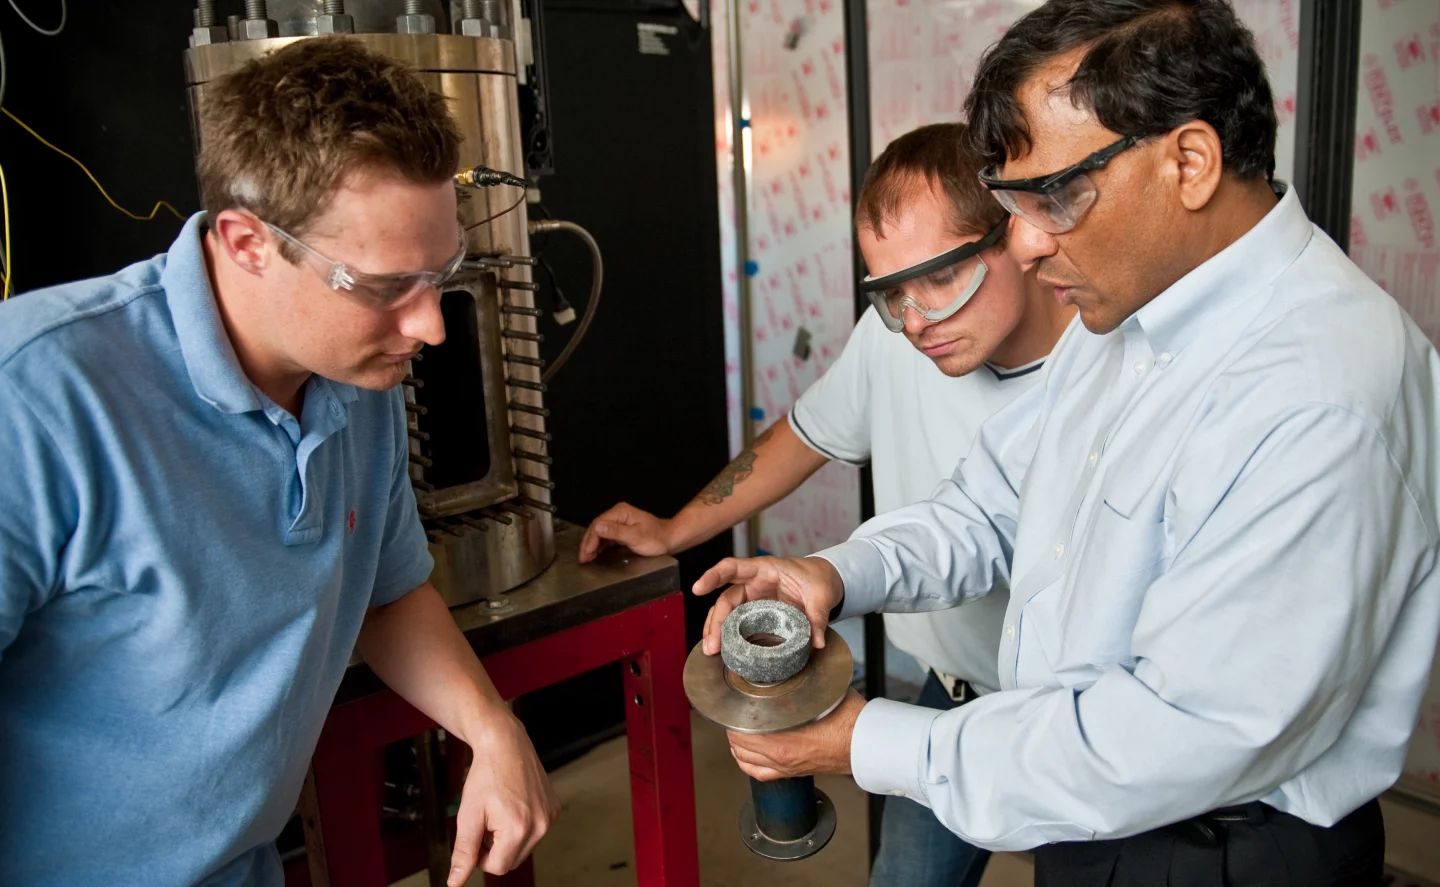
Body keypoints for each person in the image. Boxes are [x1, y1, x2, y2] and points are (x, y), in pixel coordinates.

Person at [693, 1, 1440, 884]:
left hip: (1220, 848)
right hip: (1090, 820)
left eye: (1054, 195)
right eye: (1015, 203)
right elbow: (991, 505)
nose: (1030, 244)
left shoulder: (1319, 391)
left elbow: (1172, 735)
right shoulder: (1121, 316)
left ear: (1189, 161)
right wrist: (837, 573)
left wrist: (873, 742)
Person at [0, 38, 557, 887]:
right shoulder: (36, 396)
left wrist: (491, 727)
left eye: (440, 274)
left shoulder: (354, 375)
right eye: (384, 286)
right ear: (247, 241)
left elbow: (388, 590)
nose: (431, 326)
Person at [580, 122, 1073, 886]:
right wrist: (681, 528)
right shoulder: (903, 338)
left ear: (1020, 231)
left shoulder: (1100, 374)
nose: (915, 321)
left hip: (1065, 718)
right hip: (945, 698)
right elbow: (805, 438)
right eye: (890, 293)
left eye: (939, 278)